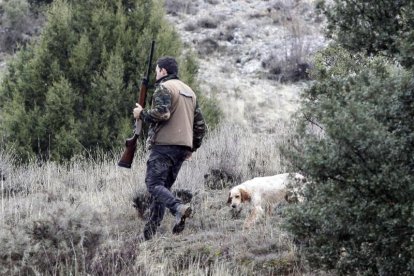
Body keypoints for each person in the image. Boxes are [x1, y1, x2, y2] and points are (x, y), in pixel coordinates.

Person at [133, 56, 206, 241]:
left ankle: (178, 208)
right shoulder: (190, 92)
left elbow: (162, 114)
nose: (156, 74)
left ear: (163, 71)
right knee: (162, 190)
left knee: (153, 185)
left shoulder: (164, 88)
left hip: (164, 146)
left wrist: (141, 113)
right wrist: (191, 147)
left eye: (157, 70)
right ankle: (149, 236)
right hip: (182, 148)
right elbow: (200, 126)